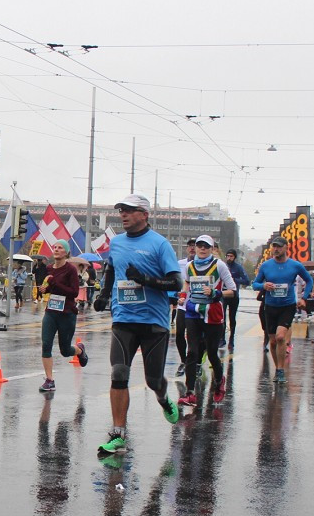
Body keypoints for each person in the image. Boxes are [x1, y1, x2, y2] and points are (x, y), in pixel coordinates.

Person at [92, 194, 182, 455]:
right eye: (121, 210)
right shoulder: (117, 243)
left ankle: (164, 400)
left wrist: (145, 279)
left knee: (153, 381)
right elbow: (111, 270)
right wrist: (104, 296)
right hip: (123, 320)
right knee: (119, 374)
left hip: (154, 323)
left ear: (144, 214)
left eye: (129, 210)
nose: (123, 215)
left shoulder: (160, 244)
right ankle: (118, 433)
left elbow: (176, 283)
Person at [176, 235, 236, 407]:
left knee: (211, 354)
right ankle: (190, 393)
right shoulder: (190, 266)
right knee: (192, 352)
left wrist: (216, 293)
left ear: (212, 249)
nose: (202, 249)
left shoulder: (219, 266)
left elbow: (232, 290)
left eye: (206, 246)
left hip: (213, 314)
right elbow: (187, 284)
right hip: (193, 312)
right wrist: (182, 297)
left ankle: (219, 381)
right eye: (199, 246)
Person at [251, 237, 313, 383]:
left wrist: (304, 297)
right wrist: (263, 286)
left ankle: (280, 370)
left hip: (288, 305)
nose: (276, 249)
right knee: (272, 341)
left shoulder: (295, 265)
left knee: (280, 337)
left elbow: (309, 280)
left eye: (279, 247)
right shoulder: (266, 266)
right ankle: (278, 367)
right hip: (270, 306)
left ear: (286, 248)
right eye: (274, 247)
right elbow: (255, 284)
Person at [38, 240, 88, 392]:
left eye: (60, 247)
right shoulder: (48, 268)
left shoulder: (70, 270)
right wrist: (44, 289)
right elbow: (50, 288)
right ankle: (49, 380)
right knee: (46, 344)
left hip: (66, 313)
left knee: (65, 350)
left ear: (66, 253)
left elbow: (73, 292)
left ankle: (79, 350)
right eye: (55, 247)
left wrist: (55, 284)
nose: (56, 249)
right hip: (51, 311)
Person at [174, 238, 196, 376]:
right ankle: (183, 360)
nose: (192, 248)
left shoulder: (202, 265)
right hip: (182, 304)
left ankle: (195, 362)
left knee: (195, 337)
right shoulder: (180, 264)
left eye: (195, 246)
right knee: (179, 334)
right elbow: (175, 281)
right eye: (190, 246)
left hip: (197, 305)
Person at [222, 249, 250, 350]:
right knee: (222, 317)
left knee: (232, 318)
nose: (229, 258)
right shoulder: (223, 266)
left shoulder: (238, 268)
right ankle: (222, 339)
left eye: (231, 256)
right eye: (227, 256)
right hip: (224, 294)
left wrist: (234, 280)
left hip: (234, 295)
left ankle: (231, 339)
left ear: (234, 257)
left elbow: (247, 281)